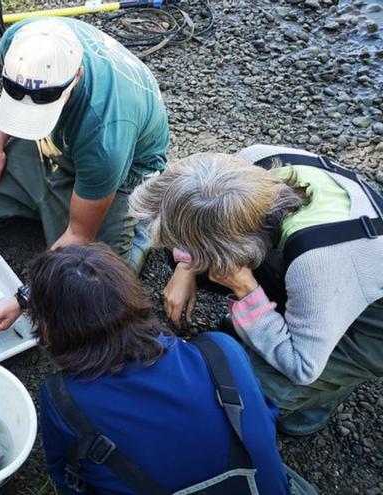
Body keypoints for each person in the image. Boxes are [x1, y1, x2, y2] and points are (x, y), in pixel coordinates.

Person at [20, 244, 315, 495]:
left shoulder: (63, 398)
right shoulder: (221, 351)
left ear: (52, 330)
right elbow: (265, 414)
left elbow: (68, 477)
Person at [129, 145, 383, 436]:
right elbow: (199, 224)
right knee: (180, 257)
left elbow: (302, 366)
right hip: (323, 278)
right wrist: (186, 266)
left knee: (243, 393)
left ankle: (325, 394)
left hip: (370, 325)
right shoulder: (250, 164)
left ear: (233, 252)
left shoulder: (317, 264)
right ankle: (284, 322)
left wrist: (246, 290)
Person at [0, 17, 169, 271]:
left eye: (42, 102)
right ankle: (64, 202)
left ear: (77, 75)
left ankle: (141, 221)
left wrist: (28, 293)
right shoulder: (21, 41)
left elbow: (80, 235)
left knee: (98, 277)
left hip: (126, 172)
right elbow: (18, 93)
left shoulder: (105, 135)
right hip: (62, 139)